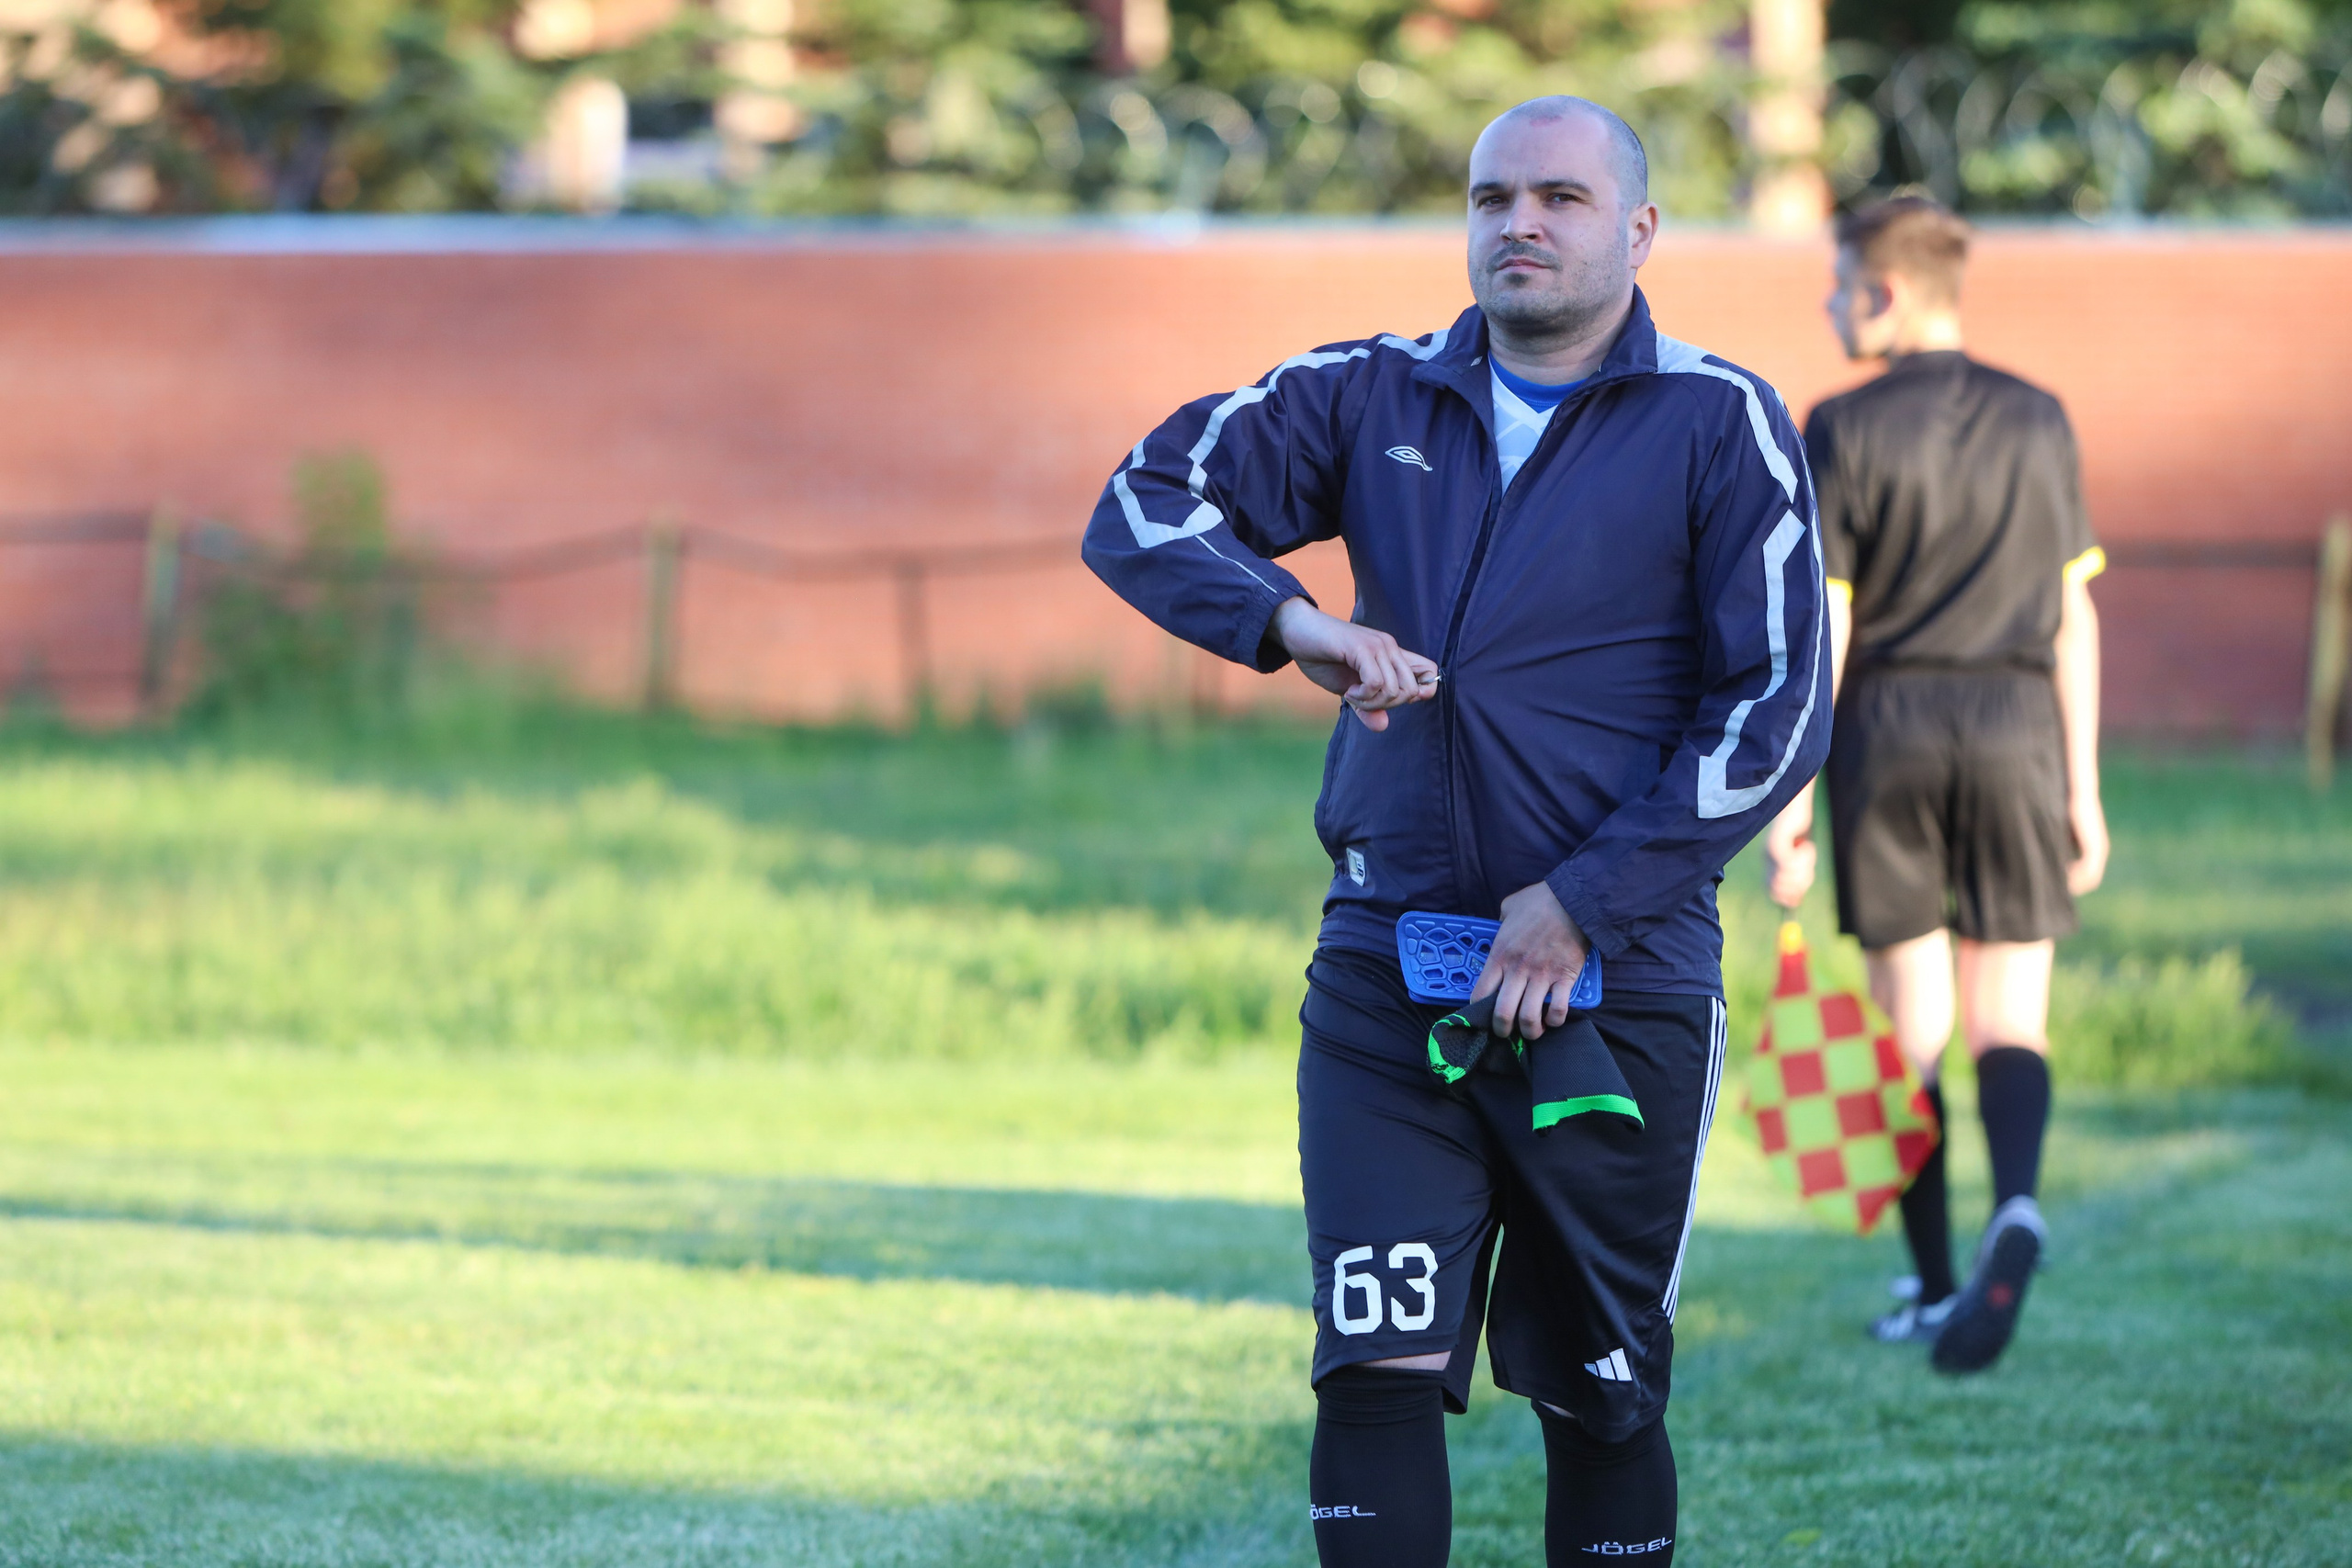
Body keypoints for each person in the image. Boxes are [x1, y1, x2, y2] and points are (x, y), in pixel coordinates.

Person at [1081, 96, 1830, 1568]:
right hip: (1387, 969)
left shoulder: (1718, 419)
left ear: (1639, 227)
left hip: (1619, 986)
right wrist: (1294, 622)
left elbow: (1781, 702)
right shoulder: (1370, 392)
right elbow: (1141, 500)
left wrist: (1585, 902)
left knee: (1600, 1388)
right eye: (1494, 197)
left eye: (1559, 195)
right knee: (1371, 1364)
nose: (1521, 224)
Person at [1761, 195, 2108, 1376]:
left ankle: (1929, 1280)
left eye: (1838, 284)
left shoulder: (1841, 423)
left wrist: (1789, 796)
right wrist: (2086, 790)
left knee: (1910, 1032)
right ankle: (2017, 1203)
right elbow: (2072, 616)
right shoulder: (2041, 416)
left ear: (1887, 292)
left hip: (1889, 728)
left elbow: (1830, 623)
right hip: (2017, 727)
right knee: (2010, 1013)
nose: (1828, 304)